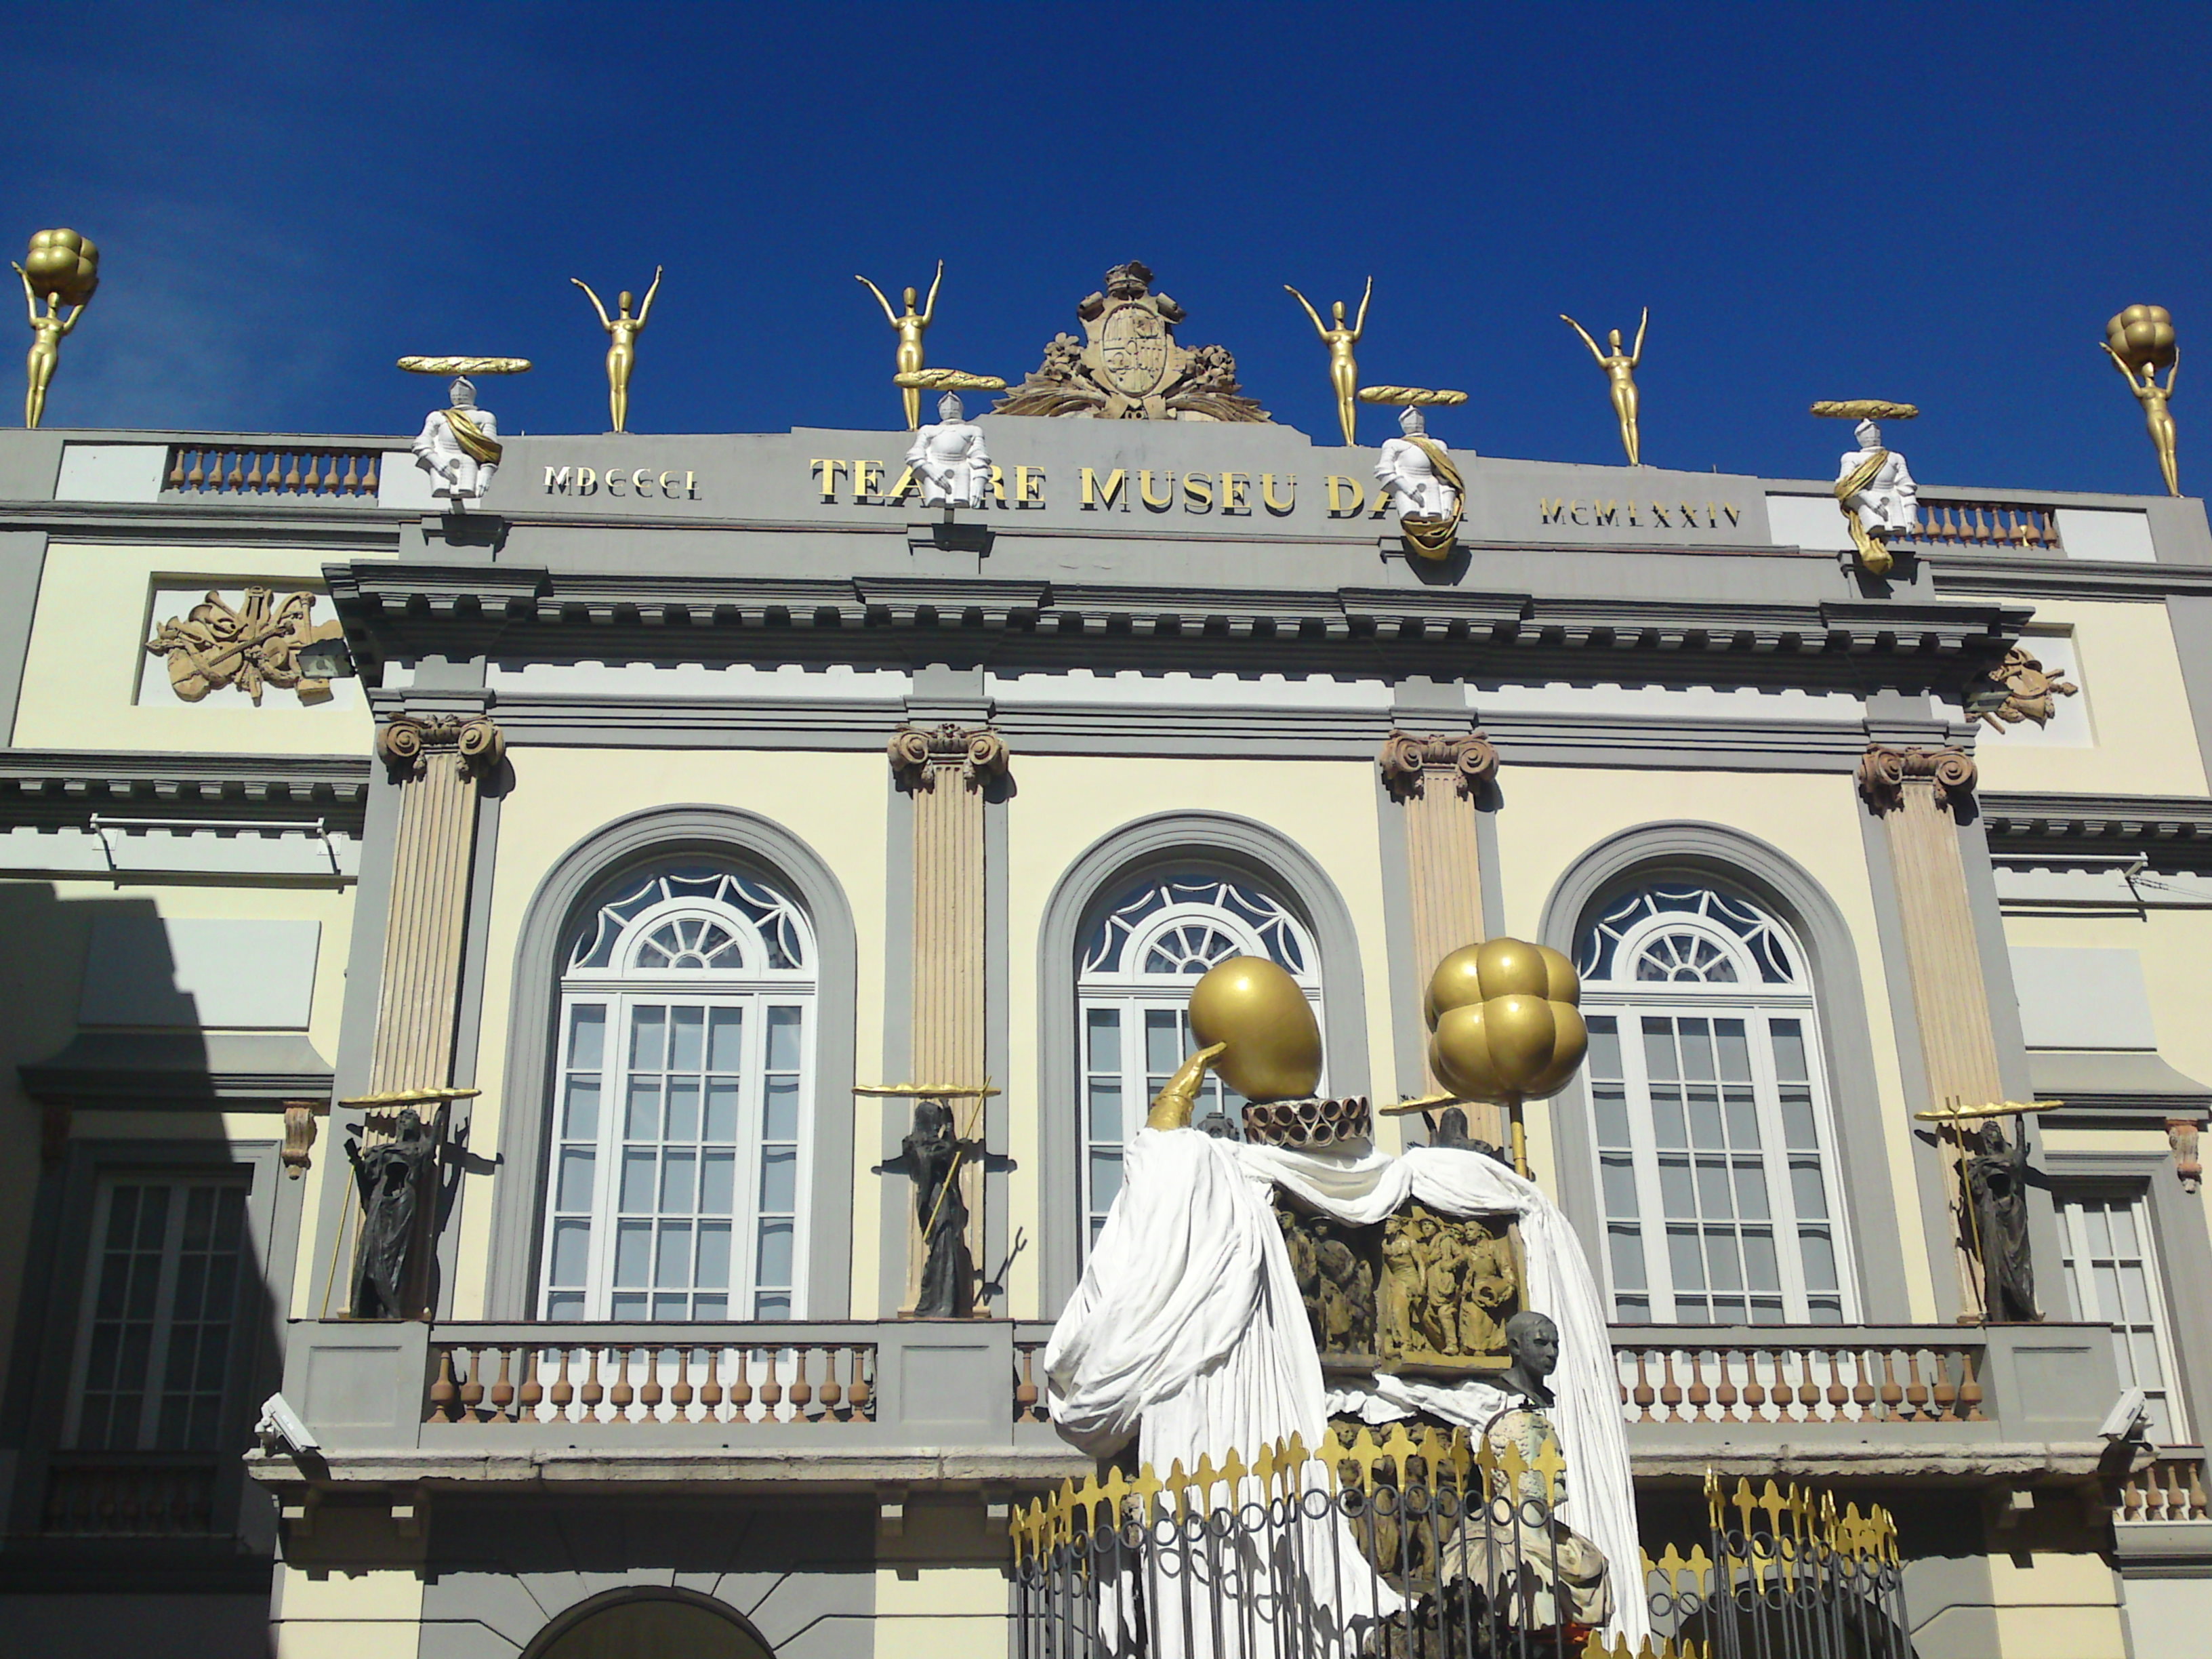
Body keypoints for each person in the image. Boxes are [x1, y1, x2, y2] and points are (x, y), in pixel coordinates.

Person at [347, 1108, 437, 1319]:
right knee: (369, 1251)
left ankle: (391, 1308)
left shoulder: (418, 1149)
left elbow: (431, 1146)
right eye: (402, 1118)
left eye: (410, 1118)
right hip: (380, 1199)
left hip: (403, 1199)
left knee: (394, 1253)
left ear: (418, 1125)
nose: (405, 1121)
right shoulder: (383, 1150)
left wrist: (440, 1117)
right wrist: (356, 1161)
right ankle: (369, 1307)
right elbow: (367, 1179)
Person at [903, 1099, 976, 1317]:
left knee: (951, 1242)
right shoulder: (912, 1142)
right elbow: (925, 1161)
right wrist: (949, 1148)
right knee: (942, 1240)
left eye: (939, 1122)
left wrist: (949, 1118)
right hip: (932, 1197)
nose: (937, 1126)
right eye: (935, 1122)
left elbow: (947, 1151)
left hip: (946, 1196)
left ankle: (948, 1300)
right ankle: (933, 1302)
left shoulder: (937, 1143)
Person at [572, 267, 663, 433]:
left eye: (627, 299)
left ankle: (621, 429)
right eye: (622, 298)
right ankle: (616, 428)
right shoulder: (612, 324)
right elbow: (599, 307)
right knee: (613, 387)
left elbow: (647, 303)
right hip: (613, 350)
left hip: (627, 350)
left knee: (622, 387)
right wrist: (585, 288)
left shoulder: (635, 323)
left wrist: (656, 282)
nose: (624, 301)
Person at [1286, 276, 1372, 445]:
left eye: (1342, 309)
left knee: (1351, 399)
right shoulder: (1328, 335)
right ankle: (1348, 440)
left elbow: (1362, 313)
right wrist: (1298, 296)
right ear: (1333, 313)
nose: (1340, 311)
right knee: (1341, 399)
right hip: (1337, 363)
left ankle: (1352, 441)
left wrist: (1368, 291)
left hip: (1350, 362)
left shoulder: (1352, 334)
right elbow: (1313, 315)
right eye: (1337, 309)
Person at [858, 262, 943, 430]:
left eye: (912, 295)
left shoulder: (921, 319)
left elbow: (932, 298)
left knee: (915, 383)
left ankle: (916, 425)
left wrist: (939, 275)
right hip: (903, 348)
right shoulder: (899, 321)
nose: (909, 297)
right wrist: (870, 285)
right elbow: (884, 304)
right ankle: (911, 425)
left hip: (916, 347)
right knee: (905, 384)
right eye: (907, 295)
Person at [1561, 308, 1648, 466]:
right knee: (1624, 420)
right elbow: (1590, 343)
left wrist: (1644, 322)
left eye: (1619, 336)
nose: (1617, 338)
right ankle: (1632, 460)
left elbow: (1639, 341)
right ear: (1610, 341)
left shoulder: (1629, 360)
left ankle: (1636, 459)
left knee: (1633, 420)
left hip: (1630, 385)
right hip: (1617, 386)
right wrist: (1575, 325)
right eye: (1614, 336)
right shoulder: (1606, 361)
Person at [14, 259, 91, 430]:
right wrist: (24, 277)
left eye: (58, 299)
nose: (55, 301)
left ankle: (34, 426)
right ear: (48, 301)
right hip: (37, 349)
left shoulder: (61, 325)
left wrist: (91, 290)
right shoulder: (38, 320)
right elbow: (30, 298)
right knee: (32, 386)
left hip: (51, 351)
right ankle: (29, 426)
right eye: (52, 298)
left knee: (42, 388)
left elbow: (79, 308)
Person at [2102, 339, 2181, 496]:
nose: (2152, 370)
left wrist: (2177, 359)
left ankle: (2177, 490)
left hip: (2167, 416)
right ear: (2143, 371)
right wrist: (2113, 354)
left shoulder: (2163, 391)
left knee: (2172, 452)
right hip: (2154, 417)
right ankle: (2172, 491)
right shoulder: (2142, 391)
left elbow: (2172, 374)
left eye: (2153, 367)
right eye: (2148, 367)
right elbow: (2127, 373)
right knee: (2163, 451)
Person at [410, 377, 502, 507]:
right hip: (441, 461)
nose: (458, 392)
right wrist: (435, 461)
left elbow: (490, 450)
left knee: (467, 490)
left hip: (468, 462)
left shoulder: (485, 417)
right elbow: (421, 442)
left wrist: (486, 473)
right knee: (441, 489)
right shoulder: (437, 416)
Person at [905, 391, 994, 509]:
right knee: (936, 501)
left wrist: (979, 483)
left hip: (961, 469)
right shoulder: (927, 429)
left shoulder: (974, 430)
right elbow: (915, 454)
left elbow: (979, 457)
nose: (949, 404)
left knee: (961, 501)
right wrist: (931, 471)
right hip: (935, 467)